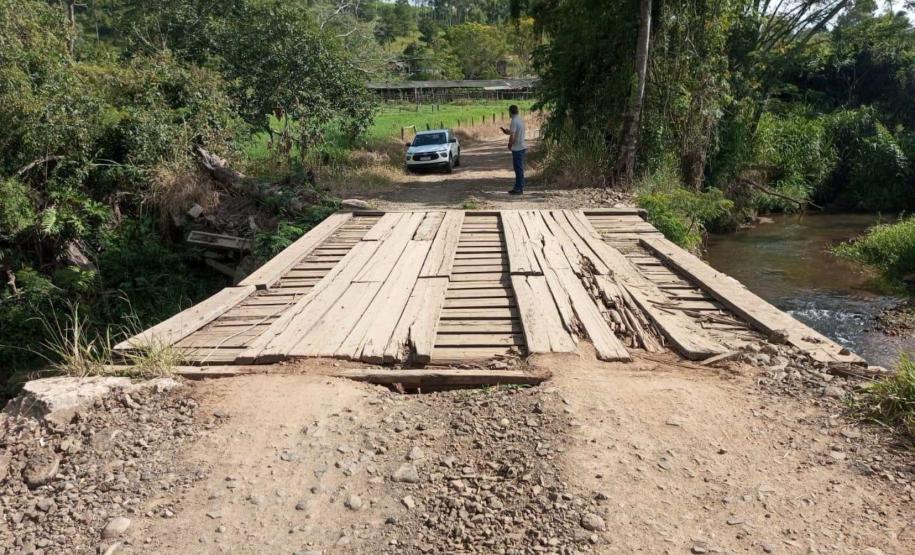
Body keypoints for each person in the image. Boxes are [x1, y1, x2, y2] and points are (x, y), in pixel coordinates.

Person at [499, 105, 526, 195]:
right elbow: (513, 132)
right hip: (521, 146)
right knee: (519, 168)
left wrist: (510, 144)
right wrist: (506, 131)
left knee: (518, 169)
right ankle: (519, 187)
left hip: (517, 148)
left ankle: (519, 188)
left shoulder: (514, 121)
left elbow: (513, 135)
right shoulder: (519, 119)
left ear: (510, 112)